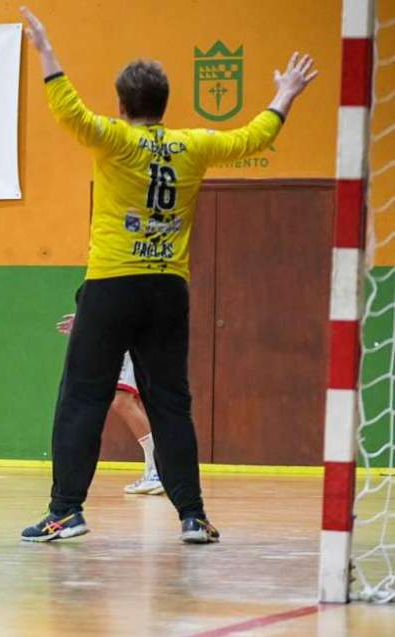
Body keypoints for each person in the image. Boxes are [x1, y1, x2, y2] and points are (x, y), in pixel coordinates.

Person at [19, 6, 317, 543]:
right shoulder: (194, 145)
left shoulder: (114, 139)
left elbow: (70, 113)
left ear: (122, 104)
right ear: (164, 104)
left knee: (83, 397)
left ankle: (66, 511)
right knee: (171, 402)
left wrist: (47, 51)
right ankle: (193, 516)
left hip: (112, 286)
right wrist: (285, 93)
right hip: (167, 289)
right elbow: (254, 137)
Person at [56, 312, 162, 495]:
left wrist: (88, 318)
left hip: (129, 336)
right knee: (126, 400)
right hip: (129, 334)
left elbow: (120, 301)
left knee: (122, 399)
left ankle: (158, 471)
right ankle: (157, 470)